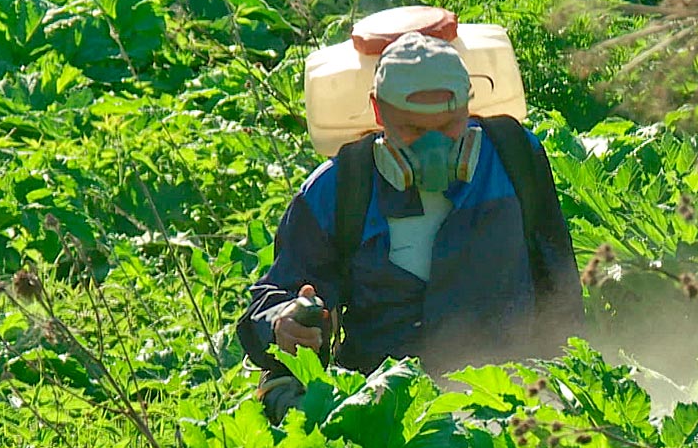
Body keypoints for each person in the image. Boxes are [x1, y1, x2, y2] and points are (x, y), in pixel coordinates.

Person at [237, 30, 583, 421]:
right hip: (385, 405)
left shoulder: (515, 156)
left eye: (450, 125)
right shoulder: (339, 189)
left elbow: (561, 292)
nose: (434, 147)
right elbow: (272, 298)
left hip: (508, 396)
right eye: (414, 130)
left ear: (469, 106)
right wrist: (282, 321)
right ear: (379, 112)